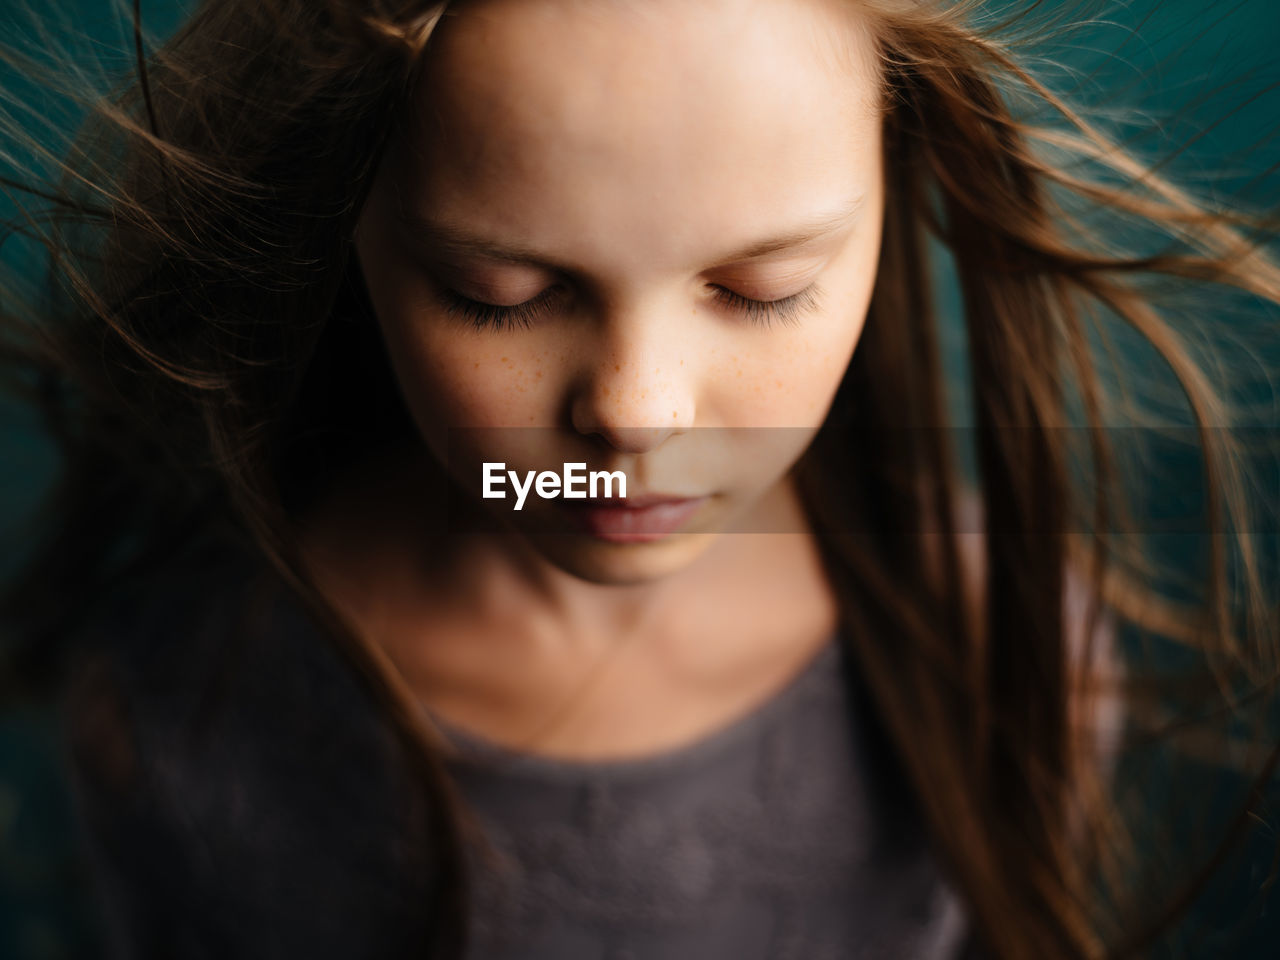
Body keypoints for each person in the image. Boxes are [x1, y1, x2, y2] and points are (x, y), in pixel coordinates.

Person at [0, 0, 1276, 957]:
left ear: (891, 197)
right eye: (499, 295)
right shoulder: (177, 708)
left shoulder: (1006, 650)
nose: (637, 412)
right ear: (350, 230)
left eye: (759, 291)